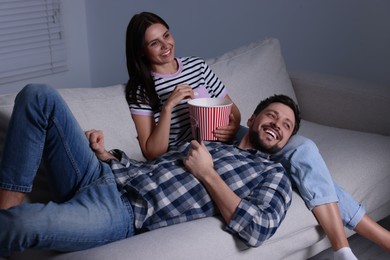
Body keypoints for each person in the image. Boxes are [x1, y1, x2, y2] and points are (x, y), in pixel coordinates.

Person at [0, 84, 298, 257]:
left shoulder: (273, 175)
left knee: (21, 224)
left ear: (286, 140)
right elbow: (152, 169)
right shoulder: (207, 139)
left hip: (124, 213)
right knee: (39, 95)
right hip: (103, 174)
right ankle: (8, 200)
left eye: (286, 126)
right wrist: (106, 155)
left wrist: (208, 174)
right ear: (255, 117)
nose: (277, 124)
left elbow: (258, 228)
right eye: (272, 115)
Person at [125, 12, 241, 160]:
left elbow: (232, 108)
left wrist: (234, 126)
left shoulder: (198, 65)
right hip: (188, 155)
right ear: (141, 51)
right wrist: (168, 106)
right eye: (154, 43)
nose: (165, 45)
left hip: (225, 146)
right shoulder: (140, 90)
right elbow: (152, 153)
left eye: (166, 36)